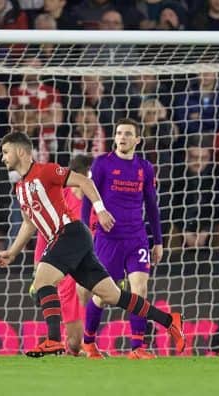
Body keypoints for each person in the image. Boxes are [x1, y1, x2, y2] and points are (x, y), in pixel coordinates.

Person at [0, 131, 184, 358]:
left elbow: (84, 181)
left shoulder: (46, 170)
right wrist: (12, 252)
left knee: (43, 280)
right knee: (113, 295)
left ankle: (53, 340)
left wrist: (100, 209)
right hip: (67, 241)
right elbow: (28, 224)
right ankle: (169, 320)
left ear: (21, 151)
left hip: (71, 233)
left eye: (6, 152)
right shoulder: (20, 189)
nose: (3, 158)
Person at [79, 118, 163, 359]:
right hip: (108, 239)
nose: (122, 137)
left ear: (138, 139)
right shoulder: (103, 164)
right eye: (118, 133)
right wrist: (86, 232)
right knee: (104, 295)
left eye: (128, 134)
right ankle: (89, 342)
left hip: (137, 238)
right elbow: (87, 198)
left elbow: (152, 205)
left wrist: (158, 240)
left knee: (140, 289)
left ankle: (138, 348)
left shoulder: (145, 167)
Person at [32, 154, 94, 356]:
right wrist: (37, 269)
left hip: (89, 267)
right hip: (65, 271)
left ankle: (88, 345)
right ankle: (73, 348)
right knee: (74, 343)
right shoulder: (60, 198)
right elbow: (45, 233)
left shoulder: (98, 203)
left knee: (89, 293)